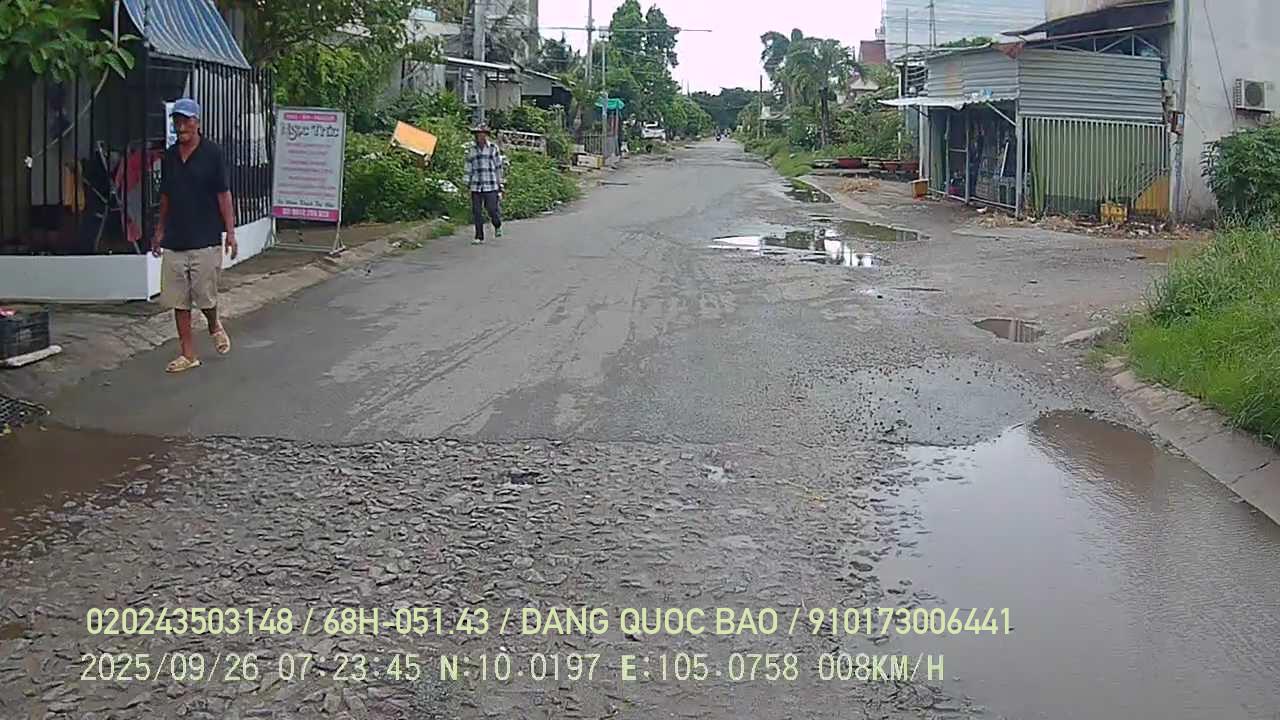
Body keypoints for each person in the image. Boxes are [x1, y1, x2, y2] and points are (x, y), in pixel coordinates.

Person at [151, 98, 238, 374]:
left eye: (186, 121)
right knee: (179, 300)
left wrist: (230, 232)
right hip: (176, 238)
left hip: (205, 237)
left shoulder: (212, 154)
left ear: (197, 122)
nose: (181, 127)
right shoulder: (170, 156)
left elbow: (223, 195)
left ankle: (213, 324)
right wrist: (159, 231)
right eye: (177, 122)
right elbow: (165, 196)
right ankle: (188, 354)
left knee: (204, 295)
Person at [463, 124, 505, 244]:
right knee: (477, 211)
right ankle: (479, 236)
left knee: (492, 209)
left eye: (482, 134)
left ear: (486, 135)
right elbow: (468, 166)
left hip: (491, 184)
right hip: (476, 184)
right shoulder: (472, 149)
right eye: (477, 134)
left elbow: (498, 166)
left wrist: (501, 182)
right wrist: (466, 182)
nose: (479, 137)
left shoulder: (493, 148)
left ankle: (497, 224)